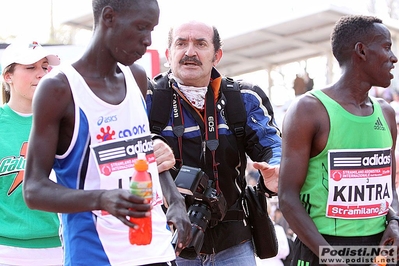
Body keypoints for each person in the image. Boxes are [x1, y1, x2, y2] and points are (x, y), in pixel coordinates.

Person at [23, 1, 191, 265]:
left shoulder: (136, 76)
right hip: (95, 252)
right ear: (109, 17)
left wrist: (174, 200)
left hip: (154, 246)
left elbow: (144, 152)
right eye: (141, 27)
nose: (147, 40)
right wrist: (102, 198)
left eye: (152, 29)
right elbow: (33, 190)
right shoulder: (59, 89)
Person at [146, 20, 282, 265]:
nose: (190, 52)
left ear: (216, 56)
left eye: (200, 44)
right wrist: (146, 153)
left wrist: (277, 171)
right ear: (168, 54)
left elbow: (272, 146)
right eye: (181, 44)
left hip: (234, 242)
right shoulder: (148, 98)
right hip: (168, 243)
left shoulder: (243, 98)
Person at [279, 15, 399, 266]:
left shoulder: (386, 113)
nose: (394, 57)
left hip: (379, 250)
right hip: (322, 248)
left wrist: (395, 222)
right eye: (387, 47)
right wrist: (330, 257)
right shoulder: (309, 109)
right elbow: (287, 197)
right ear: (362, 51)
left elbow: (388, 188)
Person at [0, 40, 63, 265]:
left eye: (44, 67)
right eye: (30, 68)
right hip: (5, 250)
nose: (41, 74)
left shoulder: (65, 122)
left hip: (60, 248)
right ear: (8, 76)